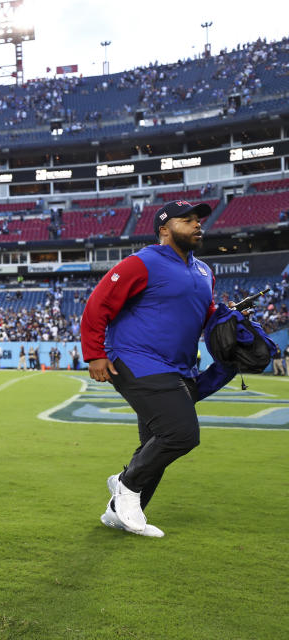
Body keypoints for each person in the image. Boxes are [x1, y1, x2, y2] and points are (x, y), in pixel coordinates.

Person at [82, 200, 226, 539]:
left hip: (179, 366)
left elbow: (205, 315)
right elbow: (97, 304)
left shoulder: (205, 271)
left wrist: (229, 321)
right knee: (181, 434)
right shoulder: (141, 262)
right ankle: (127, 486)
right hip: (136, 360)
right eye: (187, 220)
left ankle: (118, 511)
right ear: (164, 228)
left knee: (155, 441)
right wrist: (94, 354)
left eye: (198, 220)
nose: (196, 225)